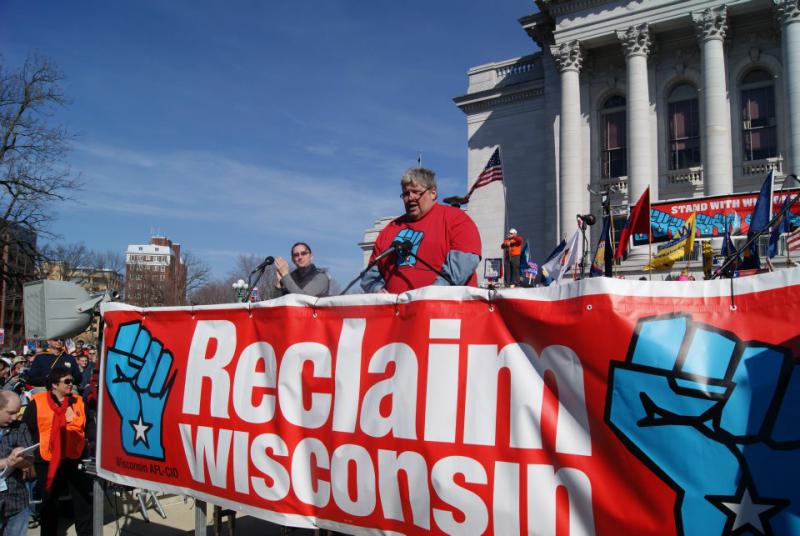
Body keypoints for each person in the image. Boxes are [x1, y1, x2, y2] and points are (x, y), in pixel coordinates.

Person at [361, 167, 481, 293]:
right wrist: (377, 290)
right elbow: (370, 274)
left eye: (416, 192)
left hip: (446, 309)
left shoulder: (456, 219)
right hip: (395, 310)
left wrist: (429, 296)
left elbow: (463, 264)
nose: (410, 198)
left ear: (433, 193)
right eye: (406, 193)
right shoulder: (389, 230)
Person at [23, 367, 91, 536]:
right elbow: (26, 430)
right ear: (54, 384)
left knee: (83, 501)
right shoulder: (37, 402)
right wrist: (28, 457)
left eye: (72, 381)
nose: (71, 384)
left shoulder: (78, 401)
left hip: (75, 457)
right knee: (49, 503)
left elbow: (89, 426)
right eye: (66, 381)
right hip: (47, 459)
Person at [0, 391, 33, 536]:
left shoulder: (20, 427)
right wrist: (7, 461)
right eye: (10, 413)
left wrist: (21, 458)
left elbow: (29, 460)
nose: (14, 417)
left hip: (17, 500)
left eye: (17, 412)